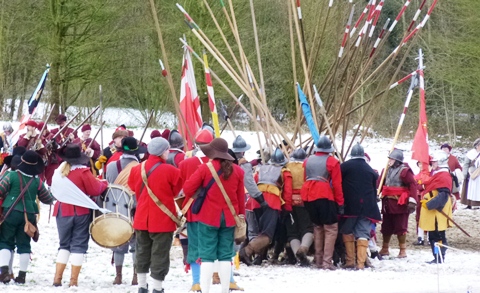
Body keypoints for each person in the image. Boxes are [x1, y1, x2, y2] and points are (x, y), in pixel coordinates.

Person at [183, 138, 245, 293]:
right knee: (225, 255)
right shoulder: (238, 171)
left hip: (208, 218)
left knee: (206, 255)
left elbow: (188, 189)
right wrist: (241, 217)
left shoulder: (205, 169)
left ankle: (205, 290)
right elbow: (240, 199)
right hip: (230, 218)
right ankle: (225, 290)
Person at [128, 137, 183, 293]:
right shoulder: (172, 171)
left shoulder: (136, 169)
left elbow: (133, 187)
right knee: (160, 254)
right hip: (162, 220)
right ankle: (157, 288)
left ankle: (141, 286)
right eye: (167, 149)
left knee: (141, 252)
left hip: (141, 218)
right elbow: (175, 193)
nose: (168, 152)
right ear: (161, 151)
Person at [51, 144, 108, 287]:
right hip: (80, 212)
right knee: (78, 245)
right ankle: (73, 281)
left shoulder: (58, 171)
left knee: (64, 245)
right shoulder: (83, 172)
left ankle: (57, 279)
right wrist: (104, 183)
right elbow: (95, 190)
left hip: (62, 210)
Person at [0, 150, 55, 284]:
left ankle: (4, 272)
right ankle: (22, 276)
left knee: (5, 242)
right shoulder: (37, 181)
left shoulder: (11, 175)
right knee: (24, 245)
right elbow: (48, 199)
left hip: (10, 213)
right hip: (29, 216)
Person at [239, 147, 292, 266]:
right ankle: (246, 251)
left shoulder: (261, 169)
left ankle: (258, 257)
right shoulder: (285, 172)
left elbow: (254, 183)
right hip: (272, 202)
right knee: (267, 235)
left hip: (257, 200)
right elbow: (287, 192)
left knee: (260, 232)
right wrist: (287, 208)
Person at [104, 136, 145, 285]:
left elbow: (109, 185)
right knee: (136, 244)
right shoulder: (140, 167)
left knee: (119, 242)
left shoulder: (111, 166)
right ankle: (135, 276)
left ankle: (118, 276)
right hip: (136, 207)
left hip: (117, 208)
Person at [301, 136, 344, 270]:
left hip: (307, 195)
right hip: (324, 195)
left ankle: (318, 260)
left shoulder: (307, 161)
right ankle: (327, 262)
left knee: (318, 227)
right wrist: (340, 203)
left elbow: (305, 179)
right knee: (331, 229)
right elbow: (337, 185)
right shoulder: (332, 162)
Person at [178, 129, 213, 292]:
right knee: (217, 246)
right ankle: (225, 279)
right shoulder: (221, 163)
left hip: (194, 211)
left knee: (195, 246)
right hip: (215, 212)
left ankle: (197, 281)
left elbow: (181, 190)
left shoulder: (185, 164)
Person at [340, 143, 382, 269]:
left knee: (347, 231)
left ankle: (350, 261)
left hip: (350, 205)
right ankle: (360, 264)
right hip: (368, 206)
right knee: (363, 233)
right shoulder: (370, 169)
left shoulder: (344, 167)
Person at [378, 149, 418, 258]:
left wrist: (412, 201)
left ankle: (402, 250)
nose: (389, 161)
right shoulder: (385, 170)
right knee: (386, 226)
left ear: (397, 160)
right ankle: (385, 248)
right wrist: (376, 192)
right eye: (389, 158)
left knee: (401, 227)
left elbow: (413, 185)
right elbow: (380, 184)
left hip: (400, 204)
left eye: (391, 159)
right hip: (387, 203)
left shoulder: (405, 171)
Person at [418, 151, 453, 263]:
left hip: (438, 209)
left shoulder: (444, 175)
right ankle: (437, 257)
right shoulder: (437, 174)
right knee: (433, 234)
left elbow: (443, 195)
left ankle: (439, 257)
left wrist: (430, 204)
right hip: (433, 210)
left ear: (441, 162)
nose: (432, 163)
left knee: (438, 235)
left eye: (435, 161)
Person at [285, 148, 313, 266]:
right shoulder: (307, 167)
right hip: (304, 201)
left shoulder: (287, 167)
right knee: (307, 228)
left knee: (293, 232)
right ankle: (303, 249)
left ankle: (299, 256)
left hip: (289, 201)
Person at [461, 138, 480, 209]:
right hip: (472, 174)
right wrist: (465, 174)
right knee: (470, 190)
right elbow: (466, 164)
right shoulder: (471, 154)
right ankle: (469, 204)